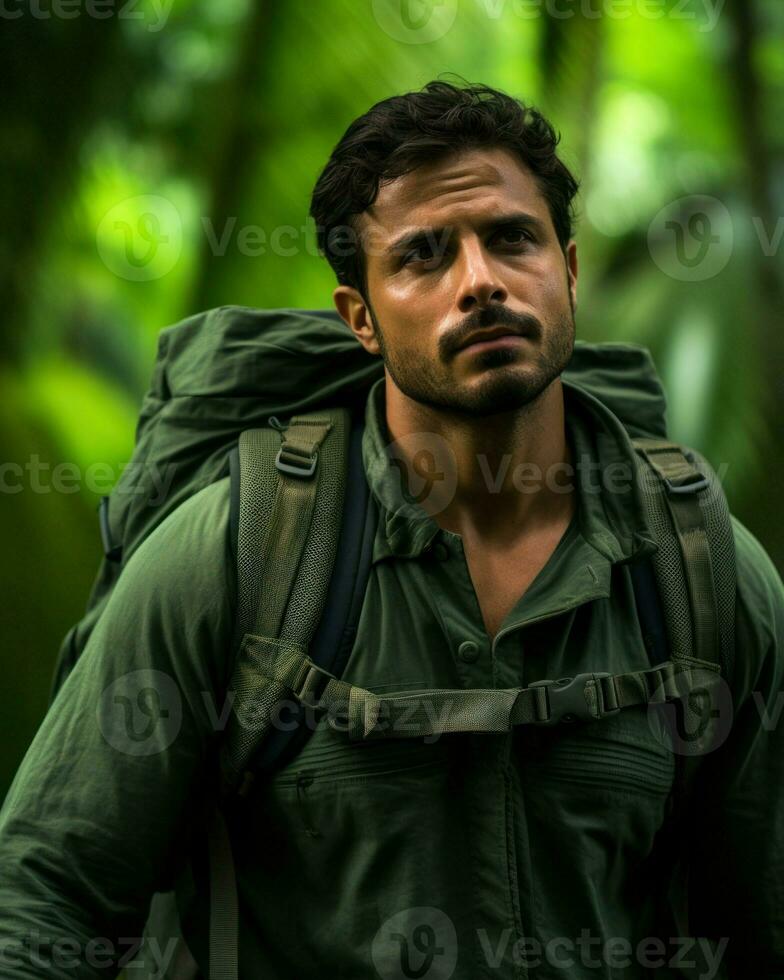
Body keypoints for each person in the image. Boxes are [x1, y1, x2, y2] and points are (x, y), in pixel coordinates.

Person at [0, 78, 782, 980]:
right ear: (360, 318)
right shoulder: (242, 552)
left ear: (566, 269)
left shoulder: (698, 568)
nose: (481, 281)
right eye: (423, 255)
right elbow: (46, 900)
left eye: (511, 238)